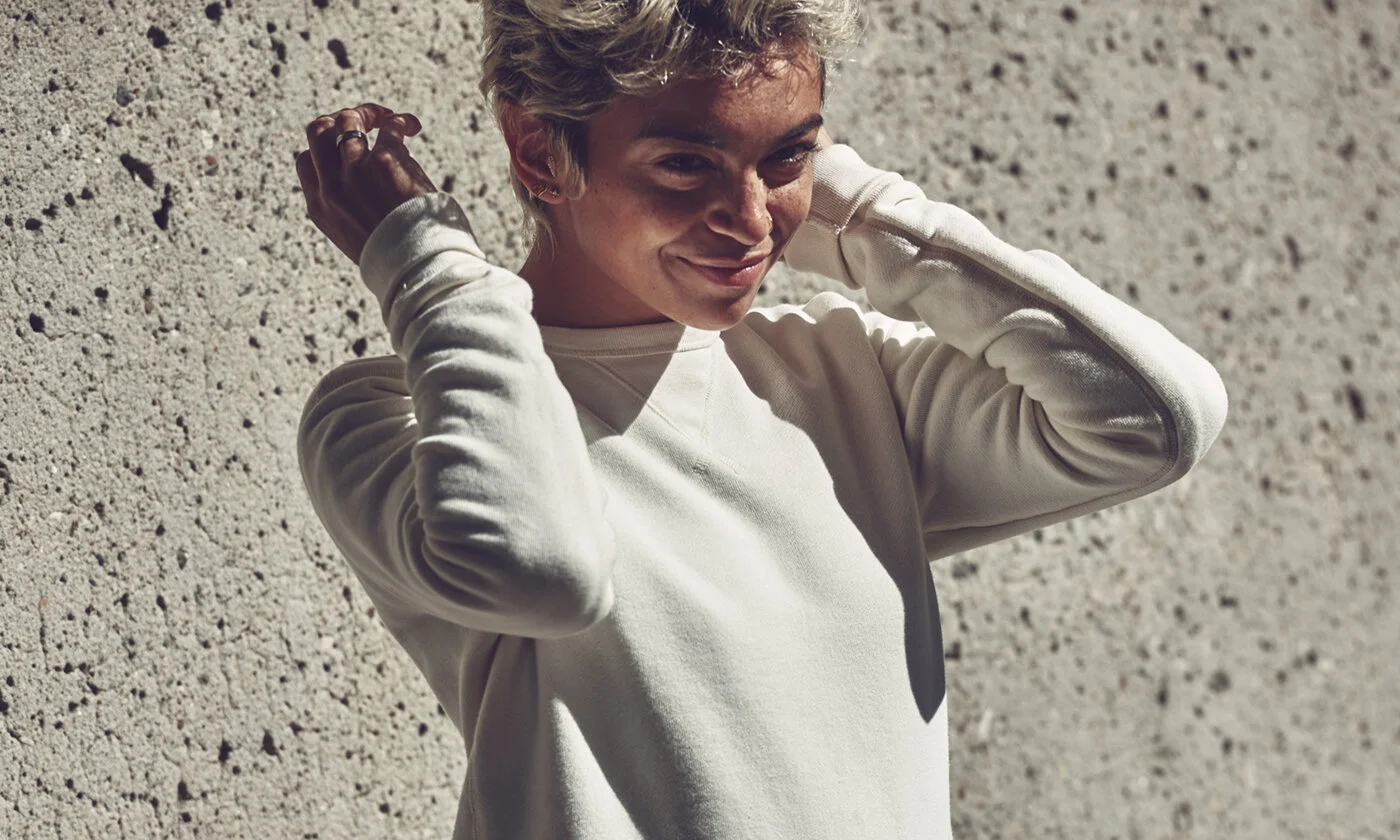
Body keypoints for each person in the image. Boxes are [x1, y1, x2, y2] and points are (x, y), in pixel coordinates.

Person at [293, 0, 1228, 837]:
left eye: (785, 155)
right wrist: (432, 269)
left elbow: (1155, 416)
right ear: (539, 151)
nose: (748, 220)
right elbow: (539, 567)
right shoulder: (392, 418)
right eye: (685, 163)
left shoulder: (843, 379)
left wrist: (848, 213)